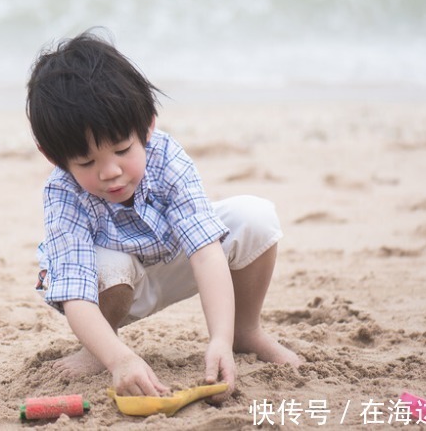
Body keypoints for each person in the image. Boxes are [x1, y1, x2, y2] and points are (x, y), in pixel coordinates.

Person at [26, 29, 301, 401]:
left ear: (148, 126)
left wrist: (217, 338)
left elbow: (205, 250)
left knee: (255, 217)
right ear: (54, 158)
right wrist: (120, 360)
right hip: (110, 290)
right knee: (108, 265)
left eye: (123, 150)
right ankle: (99, 349)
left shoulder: (166, 156)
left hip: (172, 261)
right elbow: (75, 292)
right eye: (88, 162)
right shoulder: (63, 192)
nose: (110, 172)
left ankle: (243, 331)